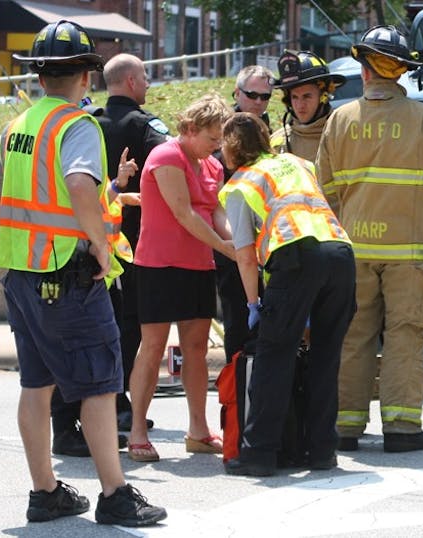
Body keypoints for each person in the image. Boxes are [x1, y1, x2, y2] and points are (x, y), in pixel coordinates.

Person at [0, 19, 166, 526]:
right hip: (68, 273)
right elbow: (82, 186)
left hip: (21, 272)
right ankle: (115, 493)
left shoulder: (20, 125)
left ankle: (46, 492)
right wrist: (100, 247)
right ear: (86, 76)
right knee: (100, 385)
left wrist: (25, 227)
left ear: (39, 76)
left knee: (37, 386)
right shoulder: (77, 125)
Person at [317, 25, 423, 453]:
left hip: (353, 249)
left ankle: (345, 427)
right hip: (409, 253)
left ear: (364, 70)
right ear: (399, 72)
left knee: (353, 335)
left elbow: (324, 189)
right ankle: (401, 428)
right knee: (405, 335)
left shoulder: (340, 119)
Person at [217, 113, 356, 476]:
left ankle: (259, 454)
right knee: (325, 356)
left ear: (230, 149)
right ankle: (323, 450)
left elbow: (246, 256)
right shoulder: (296, 162)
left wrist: (252, 304)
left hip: (296, 259)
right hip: (340, 253)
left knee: (273, 355)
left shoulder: (241, 183)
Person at [50, 53, 169, 457]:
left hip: (79, 245)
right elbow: (171, 158)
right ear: (133, 82)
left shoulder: (89, 122)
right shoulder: (143, 124)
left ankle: (107, 407)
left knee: (87, 337)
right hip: (126, 246)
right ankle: (114, 406)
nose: (149, 84)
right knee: (124, 328)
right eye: (146, 77)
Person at [126, 94, 235, 462]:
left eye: (220, 140)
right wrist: (226, 247)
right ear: (189, 130)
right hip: (159, 266)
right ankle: (137, 432)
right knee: (153, 348)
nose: (216, 147)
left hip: (198, 266)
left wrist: (236, 240)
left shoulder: (212, 166)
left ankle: (199, 431)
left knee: (197, 350)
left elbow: (215, 210)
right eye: (211, 138)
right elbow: (184, 214)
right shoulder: (166, 156)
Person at [213, 64, 275, 362]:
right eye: (253, 95)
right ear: (237, 93)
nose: (259, 102)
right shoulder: (221, 134)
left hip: (271, 248)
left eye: (266, 97)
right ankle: (236, 397)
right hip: (233, 246)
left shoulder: (269, 133)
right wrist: (237, 246)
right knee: (238, 328)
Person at [270, 50, 346, 159]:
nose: (300, 105)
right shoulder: (277, 143)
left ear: (323, 96)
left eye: (307, 96)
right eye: (294, 97)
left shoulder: (343, 135)